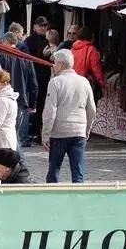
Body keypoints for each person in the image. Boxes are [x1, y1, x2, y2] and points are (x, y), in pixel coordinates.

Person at [42, 48, 97, 183]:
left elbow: (50, 110)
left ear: (61, 64)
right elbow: (92, 109)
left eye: (55, 63)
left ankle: (51, 197)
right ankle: (78, 199)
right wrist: (87, 130)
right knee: (78, 171)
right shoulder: (84, 82)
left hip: (59, 132)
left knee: (54, 170)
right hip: (78, 131)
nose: (53, 66)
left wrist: (45, 133)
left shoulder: (55, 82)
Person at [0, 32, 37, 149]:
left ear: (5, 42)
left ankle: (15, 159)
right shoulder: (26, 59)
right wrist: (32, 104)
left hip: (5, 98)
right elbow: (33, 84)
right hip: (22, 98)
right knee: (15, 131)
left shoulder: (1, 57)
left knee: (8, 133)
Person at [70, 26, 106, 97]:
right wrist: (102, 83)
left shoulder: (72, 49)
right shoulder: (91, 49)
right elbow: (96, 69)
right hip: (85, 83)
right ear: (90, 37)